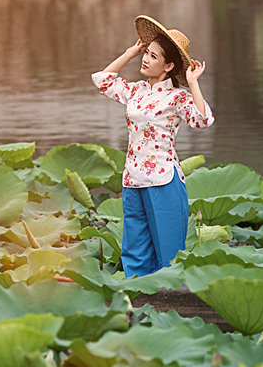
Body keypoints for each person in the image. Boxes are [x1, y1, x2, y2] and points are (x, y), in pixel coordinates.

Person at [90, 15, 214, 277]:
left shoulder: (177, 96)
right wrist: (129, 53)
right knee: (134, 253)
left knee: (168, 256)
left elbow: (203, 120)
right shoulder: (136, 91)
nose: (146, 59)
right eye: (147, 53)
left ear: (169, 66)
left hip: (163, 181)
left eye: (153, 56)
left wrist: (193, 83)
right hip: (132, 180)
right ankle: (137, 305)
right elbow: (103, 80)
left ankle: (168, 311)